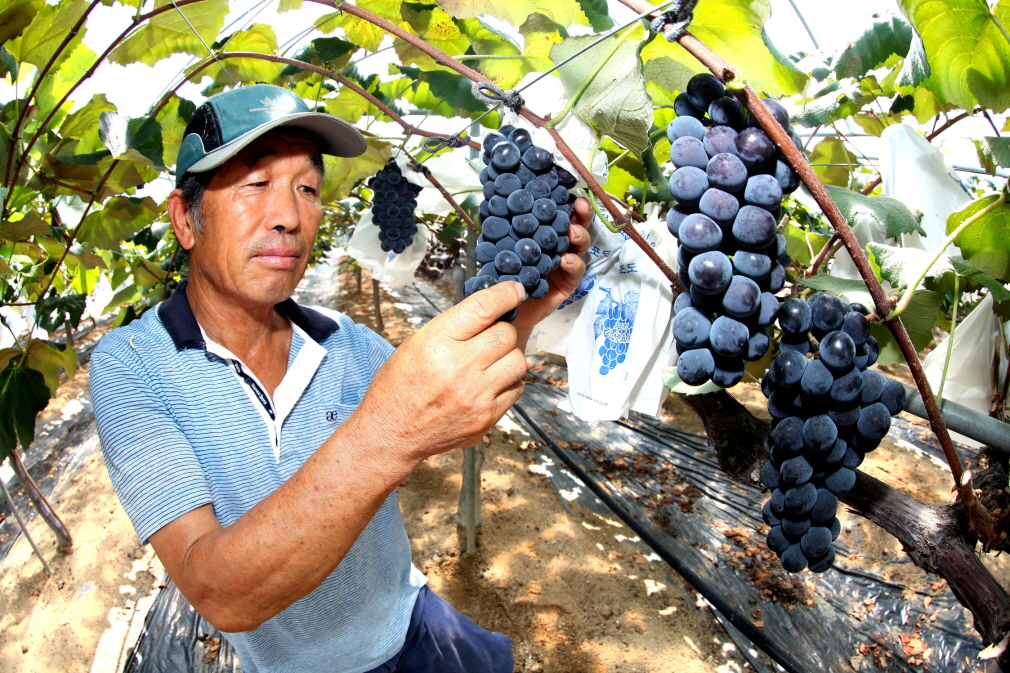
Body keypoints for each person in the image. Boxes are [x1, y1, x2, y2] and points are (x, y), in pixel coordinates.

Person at [89, 83, 592, 673]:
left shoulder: (345, 343)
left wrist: (521, 310)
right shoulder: (132, 364)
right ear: (185, 219)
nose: (289, 217)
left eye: (308, 189)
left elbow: (457, 408)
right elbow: (219, 592)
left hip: (415, 625)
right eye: (256, 183)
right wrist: (387, 434)